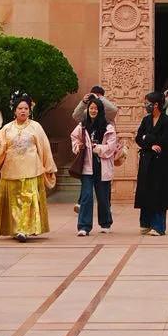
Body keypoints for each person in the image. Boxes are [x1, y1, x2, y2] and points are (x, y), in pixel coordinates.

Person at [0, 91, 57, 241]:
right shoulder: (7, 128)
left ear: (30, 110)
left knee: (28, 201)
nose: (23, 111)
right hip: (11, 170)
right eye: (20, 108)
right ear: (14, 111)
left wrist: (49, 167)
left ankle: (24, 229)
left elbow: (45, 148)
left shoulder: (36, 127)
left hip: (31, 169)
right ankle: (16, 228)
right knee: (13, 202)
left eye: (26, 108)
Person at [70, 92, 118, 236]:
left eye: (96, 108)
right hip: (87, 166)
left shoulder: (108, 127)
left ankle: (105, 223)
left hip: (102, 166)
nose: (93, 110)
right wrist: (78, 146)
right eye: (91, 108)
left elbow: (111, 147)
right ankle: (84, 226)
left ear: (100, 110)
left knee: (103, 197)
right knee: (86, 196)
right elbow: (74, 138)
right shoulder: (83, 125)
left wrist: (97, 148)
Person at [135, 90, 168, 235]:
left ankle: (158, 226)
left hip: (161, 162)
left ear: (156, 104)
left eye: (148, 103)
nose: (146, 106)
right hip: (147, 160)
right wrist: (150, 143)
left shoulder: (167, 121)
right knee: (145, 191)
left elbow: (166, 140)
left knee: (159, 192)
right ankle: (146, 223)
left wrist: (148, 137)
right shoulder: (146, 120)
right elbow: (139, 138)